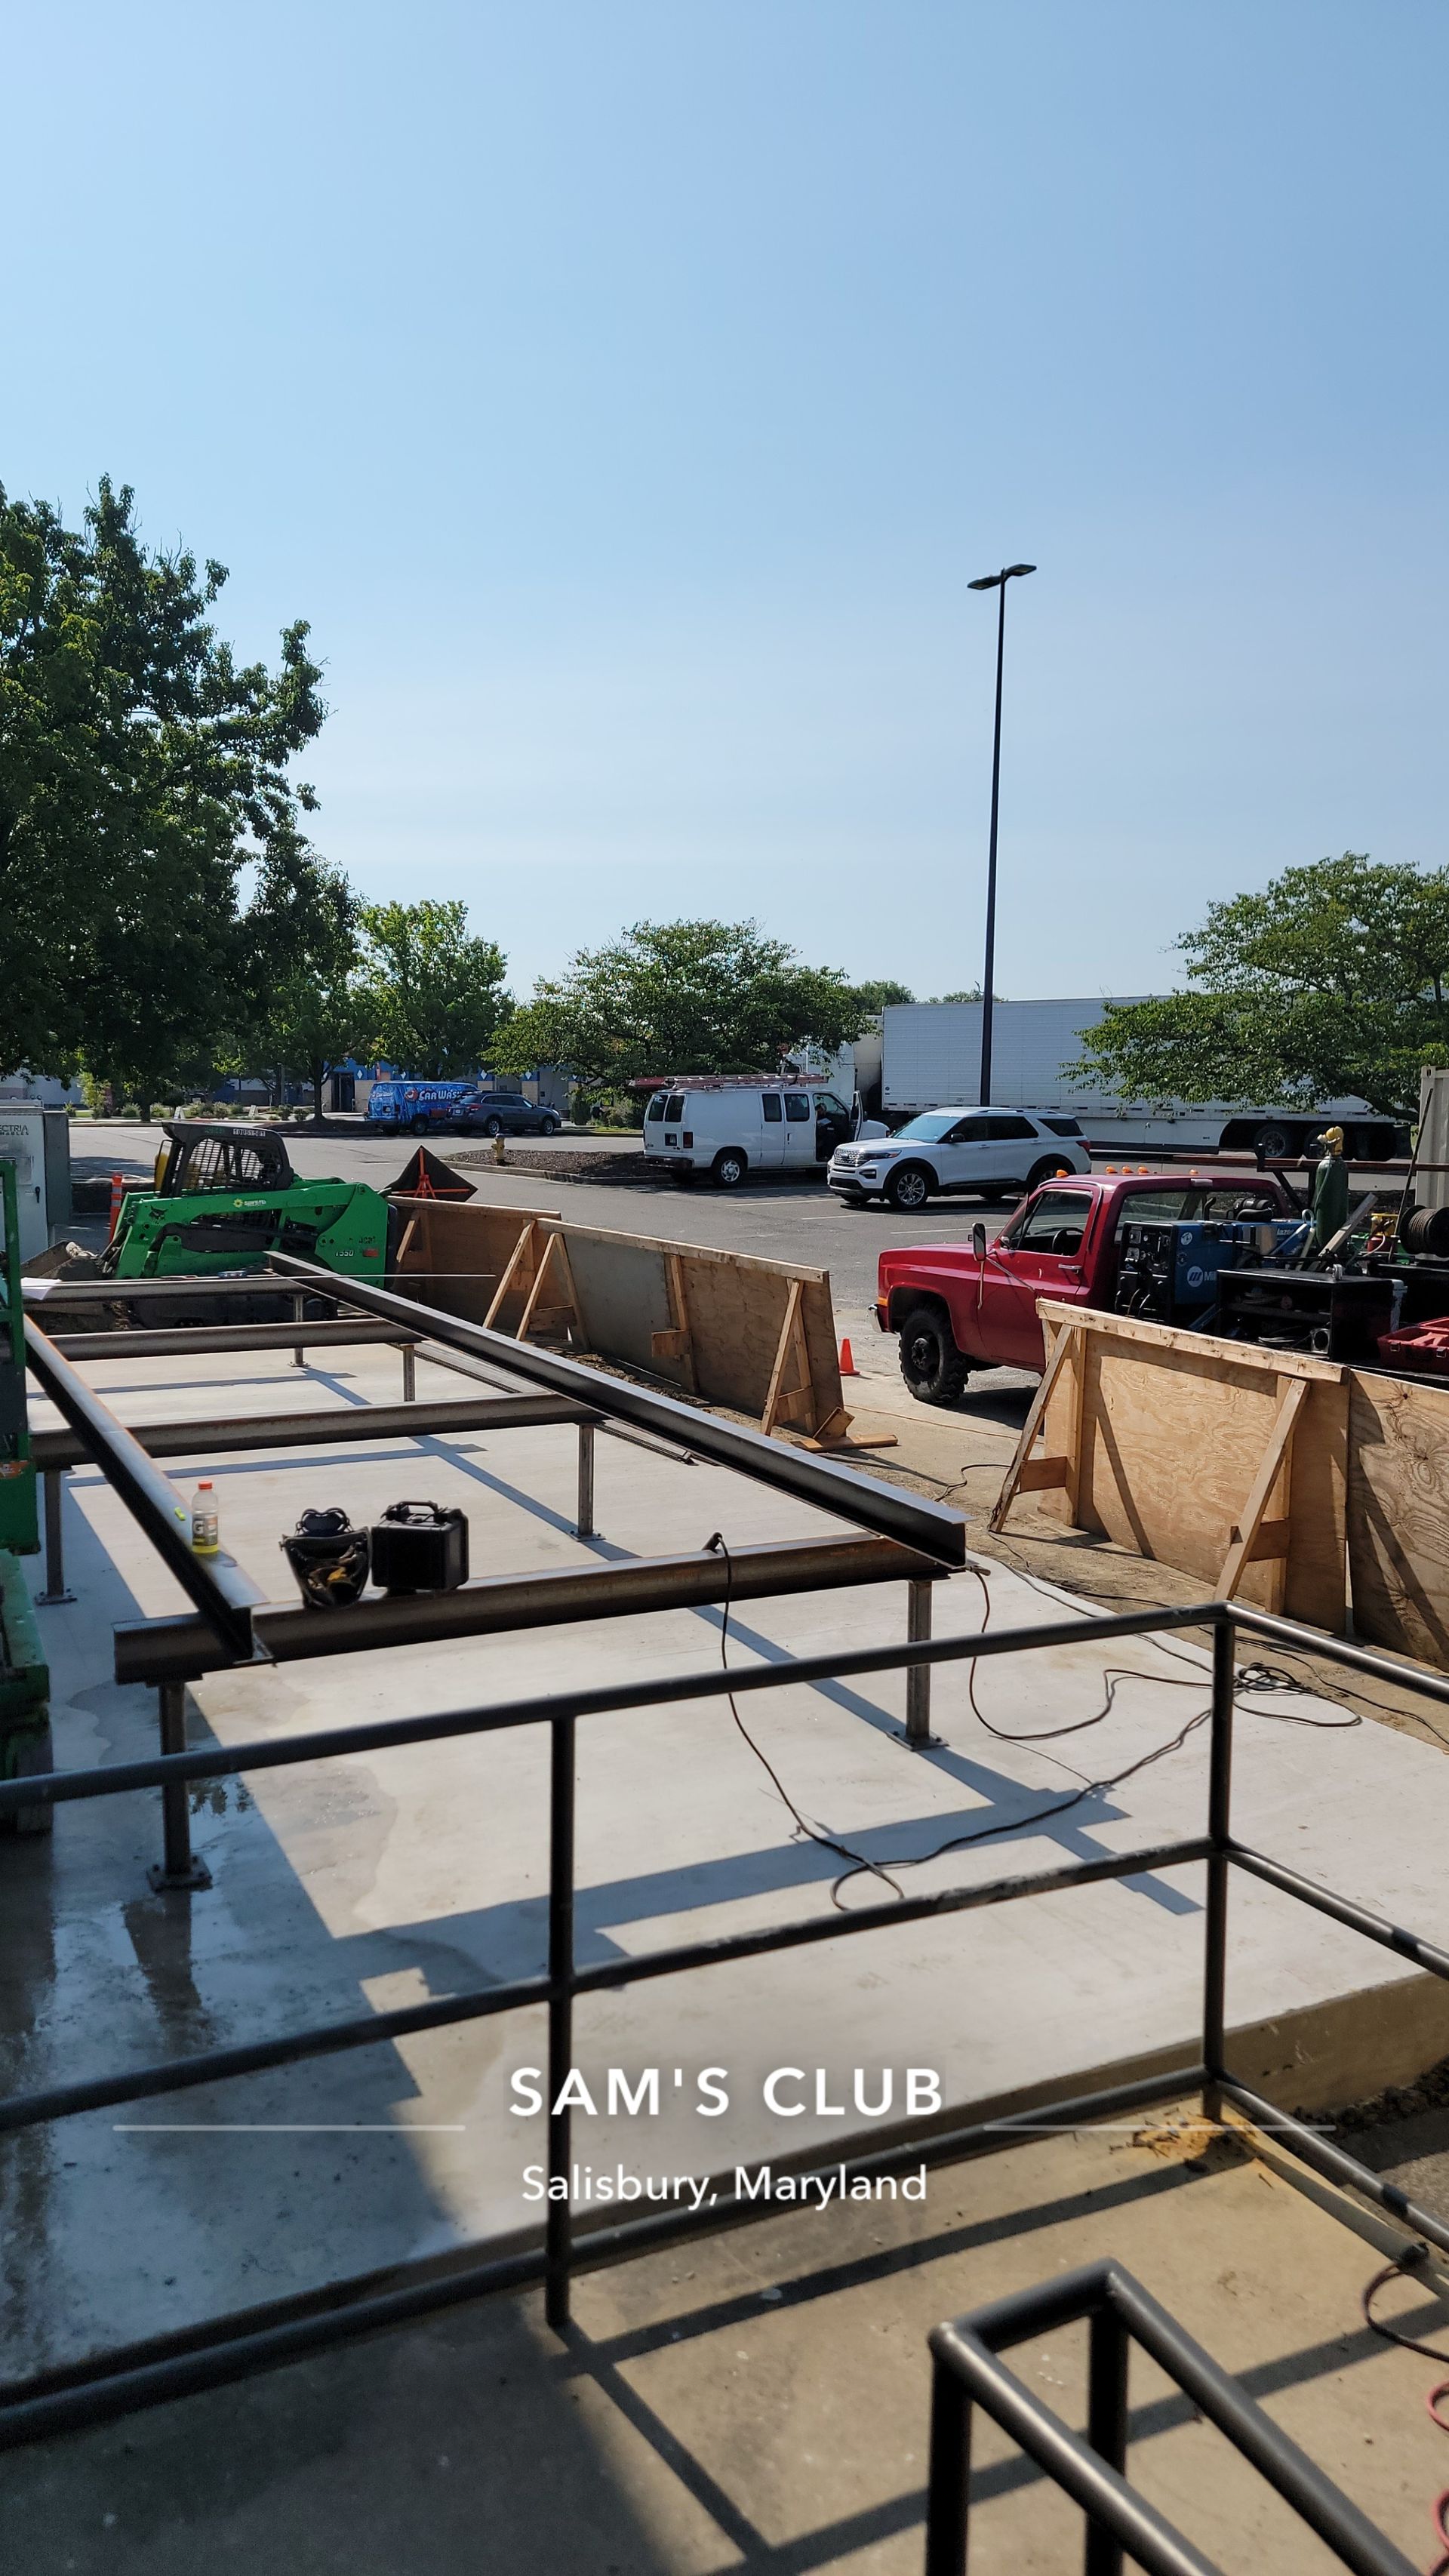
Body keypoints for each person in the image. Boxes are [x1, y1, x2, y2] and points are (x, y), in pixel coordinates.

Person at [1308, 1124, 1350, 1254]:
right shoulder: (1332, 1167)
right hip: (1328, 1241)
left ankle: (1331, 1251)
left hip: (1333, 1236)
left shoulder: (1333, 1167)